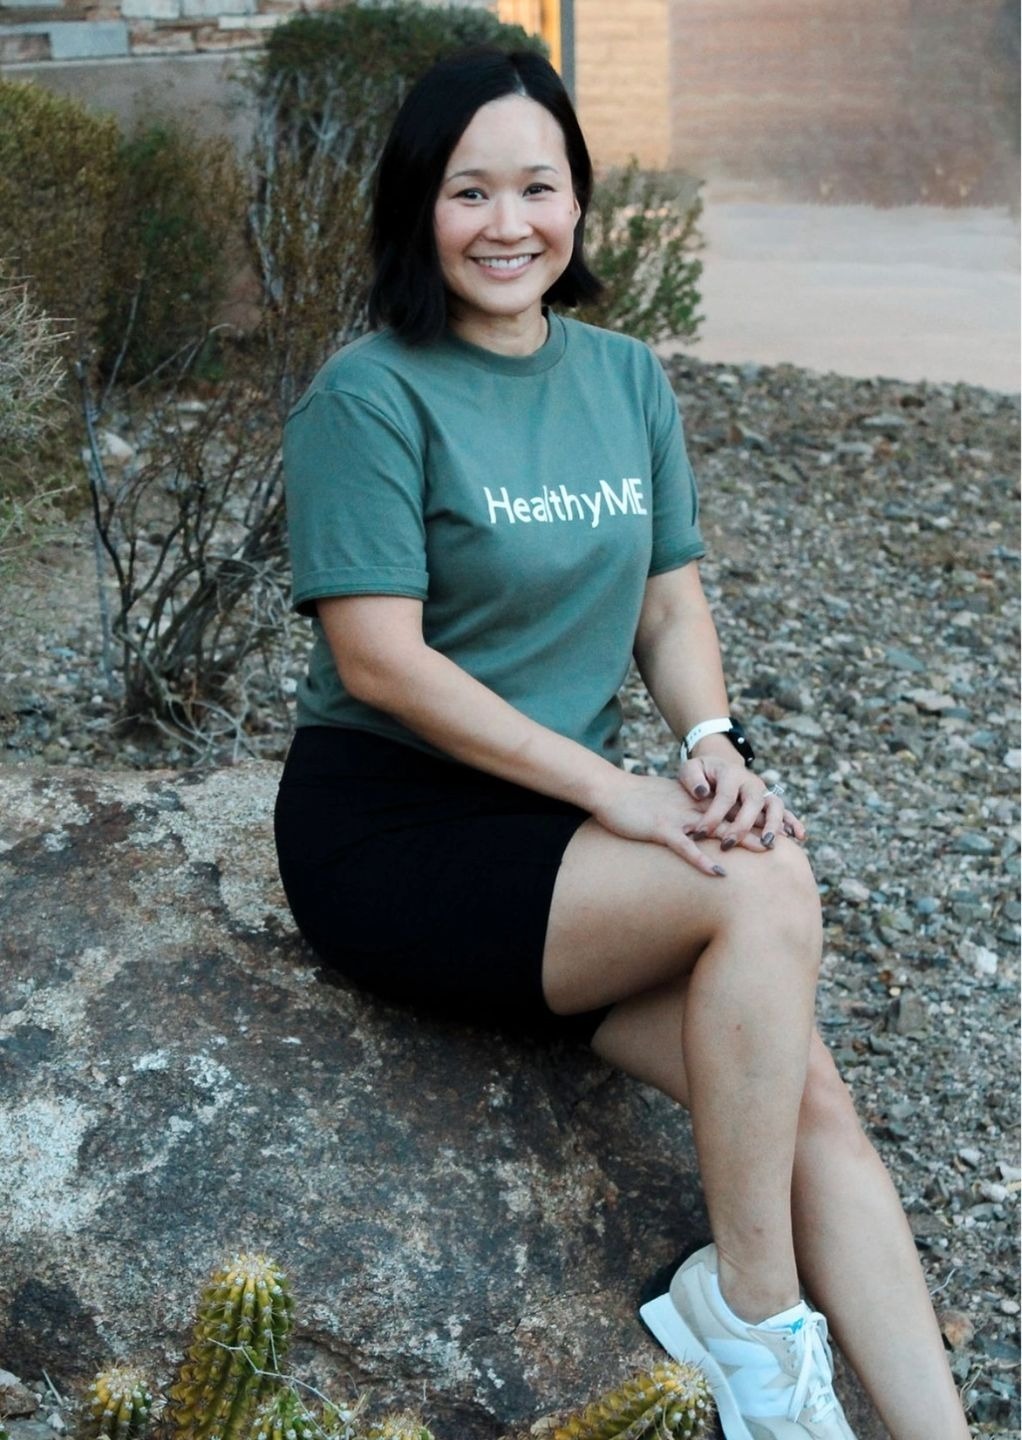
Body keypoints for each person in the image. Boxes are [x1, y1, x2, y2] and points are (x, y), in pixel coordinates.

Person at [274, 46, 970, 1440]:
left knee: (805, 1090)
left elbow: (666, 599)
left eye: (537, 186)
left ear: (578, 204)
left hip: (560, 845)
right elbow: (380, 660)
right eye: (470, 191)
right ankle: (756, 1327)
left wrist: (705, 741)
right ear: (419, 208)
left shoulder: (621, 376)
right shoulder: (370, 395)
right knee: (761, 885)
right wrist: (625, 795)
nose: (507, 223)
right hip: (401, 835)